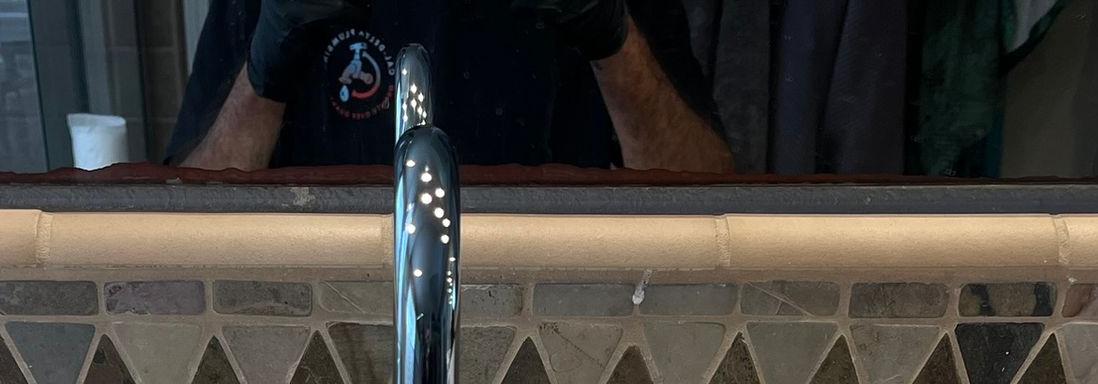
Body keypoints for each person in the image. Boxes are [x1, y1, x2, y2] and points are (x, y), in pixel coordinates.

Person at [166, 0, 735, 172]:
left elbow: (707, 191)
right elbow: (191, 226)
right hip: (326, 333)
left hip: (550, 321)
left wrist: (610, 35)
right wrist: (267, 66)